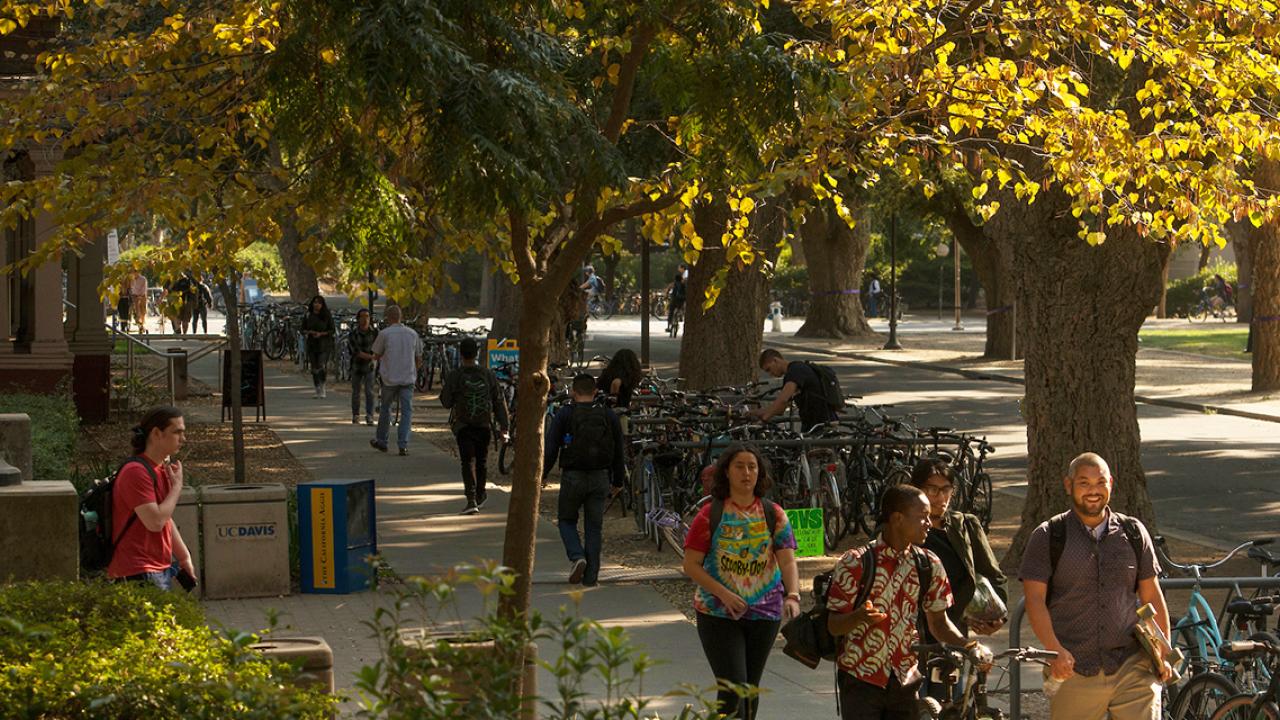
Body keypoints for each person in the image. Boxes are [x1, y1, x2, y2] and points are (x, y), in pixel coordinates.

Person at [1019, 452, 1170, 720]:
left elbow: (1151, 595)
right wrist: (1055, 650)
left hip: (1131, 665)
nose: (1093, 491)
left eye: (1100, 482)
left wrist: (1163, 650)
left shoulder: (1133, 532)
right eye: (1084, 483)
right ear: (1069, 485)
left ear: (1111, 483)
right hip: (1074, 667)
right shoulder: (1048, 535)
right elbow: (1034, 600)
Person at [827, 484, 970, 720]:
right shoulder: (856, 562)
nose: (928, 522)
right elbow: (833, 625)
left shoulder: (929, 564)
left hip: (905, 680)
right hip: (860, 679)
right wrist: (859, 616)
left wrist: (968, 646)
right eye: (922, 517)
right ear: (897, 518)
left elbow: (939, 623)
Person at [682, 444, 801, 720]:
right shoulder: (709, 514)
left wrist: (792, 594)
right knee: (733, 688)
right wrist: (723, 594)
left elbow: (787, 560)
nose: (746, 472)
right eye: (739, 466)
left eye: (752, 467)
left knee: (749, 689)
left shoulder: (775, 514)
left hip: (765, 613)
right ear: (726, 472)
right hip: (718, 613)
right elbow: (690, 565)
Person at [908, 458, 1007, 701]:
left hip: (952, 634)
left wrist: (996, 618)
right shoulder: (904, 528)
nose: (939, 497)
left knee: (950, 703)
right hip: (911, 638)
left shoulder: (965, 526)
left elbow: (993, 575)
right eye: (932, 489)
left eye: (946, 490)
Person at [543, 374, 625, 586]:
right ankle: (591, 577)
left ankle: (577, 555)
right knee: (593, 527)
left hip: (573, 475)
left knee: (566, 520)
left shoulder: (565, 415)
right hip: (600, 476)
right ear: (595, 391)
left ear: (573, 392)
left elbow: (551, 448)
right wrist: (618, 480)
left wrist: (541, 475)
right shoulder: (608, 415)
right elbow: (618, 450)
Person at [107, 406, 197, 591]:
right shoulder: (136, 472)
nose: (183, 439)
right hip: (137, 570)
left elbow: (165, 519)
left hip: (158, 568)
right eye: (177, 432)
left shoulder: (160, 468)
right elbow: (155, 521)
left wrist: (183, 557)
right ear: (157, 433)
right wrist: (177, 488)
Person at [440, 337, 510, 515]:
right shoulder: (488, 374)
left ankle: (471, 499)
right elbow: (498, 401)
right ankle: (480, 493)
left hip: (463, 425)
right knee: (482, 461)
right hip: (484, 424)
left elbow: (446, 402)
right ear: (477, 353)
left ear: (461, 354)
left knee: (467, 461)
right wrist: (504, 426)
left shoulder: (455, 375)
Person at [370, 304, 422, 456]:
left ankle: (382, 440)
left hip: (390, 378)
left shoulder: (384, 334)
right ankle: (403, 444)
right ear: (401, 317)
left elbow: (376, 354)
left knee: (386, 408)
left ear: (388, 318)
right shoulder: (412, 334)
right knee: (407, 411)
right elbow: (419, 357)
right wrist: (414, 371)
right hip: (408, 378)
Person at [749, 348, 837, 431]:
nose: (770, 374)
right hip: (811, 422)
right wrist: (758, 412)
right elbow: (780, 409)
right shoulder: (790, 376)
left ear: (775, 360)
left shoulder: (795, 370)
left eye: (769, 369)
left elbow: (783, 400)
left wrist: (763, 420)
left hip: (822, 423)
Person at [348, 308, 379, 425]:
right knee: (356, 391)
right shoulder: (353, 334)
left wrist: (374, 358)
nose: (365, 319)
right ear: (358, 319)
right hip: (357, 365)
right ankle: (356, 414)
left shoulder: (375, 333)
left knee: (369, 391)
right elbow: (356, 352)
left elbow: (379, 348)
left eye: (367, 317)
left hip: (370, 367)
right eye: (362, 317)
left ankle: (369, 415)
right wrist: (372, 357)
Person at [302, 295, 336, 399]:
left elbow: (332, 329)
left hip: (324, 344)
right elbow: (302, 328)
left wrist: (322, 334)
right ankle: (317, 388)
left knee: (321, 366)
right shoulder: (308, 315)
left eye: (319, 303)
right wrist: (309, 332)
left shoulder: (326, 315)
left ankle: (323, 386)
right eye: (315, 302)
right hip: (312, 344)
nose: (316, 304)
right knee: (314, 368)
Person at [667, 269, 687, 333]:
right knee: (680, 308)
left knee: (671, 310)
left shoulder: (674, 284)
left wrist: (666, 295)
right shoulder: (683, 284)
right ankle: (680, 315)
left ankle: (669, 325)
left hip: (675, 299)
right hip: (682, 299)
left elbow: (669, 290)